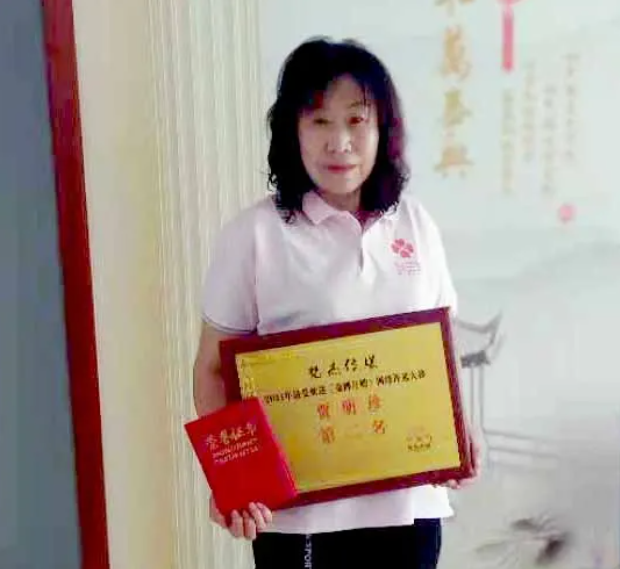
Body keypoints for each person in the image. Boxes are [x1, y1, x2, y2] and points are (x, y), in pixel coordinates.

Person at [192, 36, 478, 569]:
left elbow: (441, 345)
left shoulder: (416, 223)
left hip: (410, 507)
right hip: (301, 517)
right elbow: (212, 369)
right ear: (293, 132)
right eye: (319, 121)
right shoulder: (254, 234)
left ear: (382, 130)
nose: (339, 142)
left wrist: (459, 428)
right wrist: (235, 479)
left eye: (355, 121)